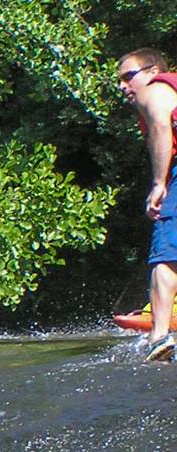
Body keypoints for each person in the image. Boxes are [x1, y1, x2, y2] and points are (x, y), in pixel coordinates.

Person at [117, 50, 177, 362]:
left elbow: (162, 128)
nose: (124, 86)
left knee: (166, 254)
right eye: (119, 81)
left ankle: (160, 336)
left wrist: (158, 183)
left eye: (129, 76)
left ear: (153, 71)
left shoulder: (153, 90)